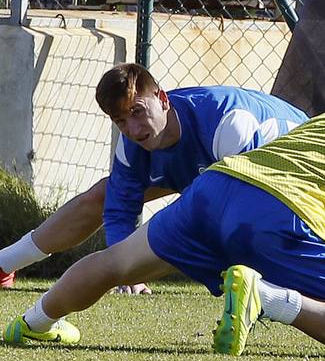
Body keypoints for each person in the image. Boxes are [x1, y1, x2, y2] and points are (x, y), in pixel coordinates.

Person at [2, 63, 325, 361]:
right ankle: (264, 297)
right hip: (279, 214)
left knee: (117, 261)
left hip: (214, 189)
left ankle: (32, 323)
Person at [0, 63, 308, 292]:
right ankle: (4, 263)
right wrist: (124, 272)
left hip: (297, 163)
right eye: (120, 120)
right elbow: (120, 210)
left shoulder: (229, 124)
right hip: (213, 171)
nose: (133, 129)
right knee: (103, 196)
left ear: (162, 98)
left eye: (137, 111)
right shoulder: (135, 143)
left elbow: (241, 210)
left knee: (230, 221)